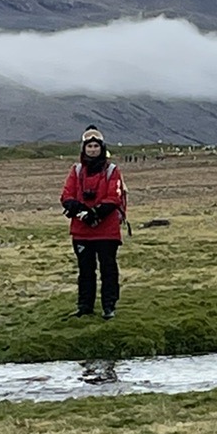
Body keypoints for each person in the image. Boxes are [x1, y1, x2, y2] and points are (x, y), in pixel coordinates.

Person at [61, 127, 127, 319]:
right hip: (82, 231)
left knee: (108, 269)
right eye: (89, 146)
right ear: (84, 148)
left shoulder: (112, 171)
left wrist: (94, 213)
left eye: (95, 146)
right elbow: (66, 194)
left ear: (102, 148)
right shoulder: (76, 170)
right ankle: (84, 307)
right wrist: (78, 208)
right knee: (85, 271)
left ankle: (109, 306)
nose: (92, 149)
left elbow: (114, 197)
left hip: (106, 231)